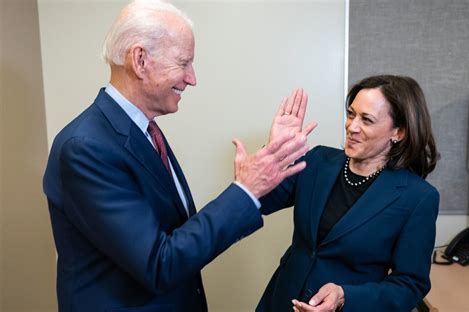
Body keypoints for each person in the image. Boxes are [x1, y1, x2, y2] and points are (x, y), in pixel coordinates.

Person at [42, 1, 316, 311]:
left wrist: (266, 166)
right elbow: (159, 264)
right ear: (140, 60)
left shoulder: (144, 130)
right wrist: (246, 190)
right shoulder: (86, 148)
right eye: (183, 62)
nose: (192, 78)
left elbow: (176, 235)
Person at [257, 75, 439, 312]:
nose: (351, 126)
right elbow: (259, 203)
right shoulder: (318, 160)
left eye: (367, 119)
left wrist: (345, 296)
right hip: (280, 303)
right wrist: (273, 153)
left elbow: (409, 284)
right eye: (352, 114)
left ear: (399, 132)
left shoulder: (417, 197)